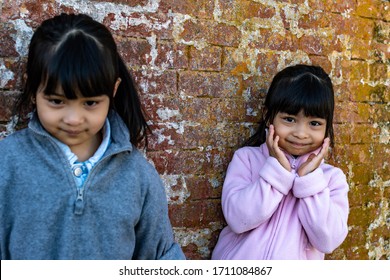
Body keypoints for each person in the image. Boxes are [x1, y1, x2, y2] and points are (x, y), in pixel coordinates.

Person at [0, 13, 185, 260]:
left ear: (113, 90)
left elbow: (161, 260)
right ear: (33, 89)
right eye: (56, 101)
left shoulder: (139, 177)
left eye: (90, 103)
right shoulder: (7, 163)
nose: (74, 119)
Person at [212, 64, 349, 260]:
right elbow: (237, 219)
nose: (300, 133)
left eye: (314, 123)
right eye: (289, 119)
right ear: (268, 115)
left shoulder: (331, 180)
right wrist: (277, 172)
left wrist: (309, 180)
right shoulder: (247, 159)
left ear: (327, 126)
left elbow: (328, 241)